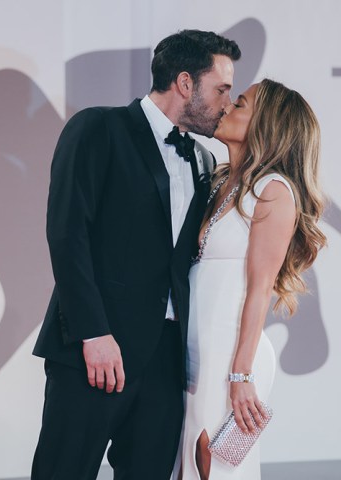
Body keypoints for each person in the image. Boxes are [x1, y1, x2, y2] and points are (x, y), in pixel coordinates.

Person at [31, 30, 241, 480]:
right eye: (222, 88)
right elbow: (67, 234)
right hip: (94, 351)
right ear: (185, 83)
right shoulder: (97, 127)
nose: (228, 101)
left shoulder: (204, 161)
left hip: (166, 363)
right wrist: (93, 333)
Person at [175, 79, 327, 479]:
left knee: (211, 467)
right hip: (198, 351)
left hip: (231, 356)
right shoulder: (219, 182)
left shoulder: (273, 191)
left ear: (266, 124)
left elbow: (259, 288)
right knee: (188, 462)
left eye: (240, 103)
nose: (227, 107)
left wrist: (240, 374)